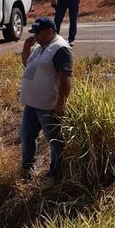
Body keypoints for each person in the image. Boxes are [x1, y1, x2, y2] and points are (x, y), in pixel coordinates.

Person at [19, 17, 73, 188]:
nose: (36, 35)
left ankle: (55, 174)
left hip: (48, 105)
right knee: (26, 136)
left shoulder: (60, 48)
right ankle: (28, 168)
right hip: (32, 104)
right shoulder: (40, 47)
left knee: (55, 141)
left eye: (38, 32)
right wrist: (26, 48)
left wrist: (61, 103)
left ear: (50, 31)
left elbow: (66, 77)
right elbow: (27, 66)